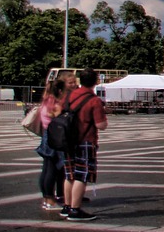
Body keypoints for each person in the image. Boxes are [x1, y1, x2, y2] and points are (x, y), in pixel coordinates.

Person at [62, 68, 109, 221]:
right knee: (81, 176)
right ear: (96, 81)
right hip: (85, 141)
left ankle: (67, 206)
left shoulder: (69, 96)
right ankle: (75, 210)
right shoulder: (93, 100)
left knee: (69, 175)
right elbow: (101, 125)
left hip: (67, 141)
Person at [36, 76, 68, 211]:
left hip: (46, 136)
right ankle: (50, 200)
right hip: (54, 137)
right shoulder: (55, 105)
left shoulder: (46, 102)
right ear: (60, 91)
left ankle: (46, 199)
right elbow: (60, 120)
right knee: (52, 170)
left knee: (46, 169)